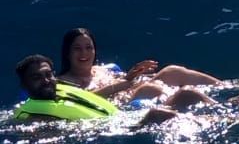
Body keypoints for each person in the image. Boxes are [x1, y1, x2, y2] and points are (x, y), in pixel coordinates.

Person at [13, 55, 212, 128]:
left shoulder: (63, 89)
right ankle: (219, 123)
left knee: (187, 93)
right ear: (25, 85)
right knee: (157, 114)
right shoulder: (31, 115)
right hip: (113, 129)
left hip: (122, 116)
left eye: (48, 75)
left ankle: (237, 110)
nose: (46, 81)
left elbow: (92, 98)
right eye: (37, 78)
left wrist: (126, 82)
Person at [58, 27, 220, 103]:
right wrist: (124, 83)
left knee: (172, 71)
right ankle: (218, 109)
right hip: (120, 104)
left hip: (130, 90)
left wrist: (138, 72)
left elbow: (127, 81)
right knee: (155, 89)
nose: (84, 54)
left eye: (89, 48)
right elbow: (84, 100)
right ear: (67, 53)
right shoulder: (63, 82)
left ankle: (226, 88)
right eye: (77, 49)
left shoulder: (101, 70)